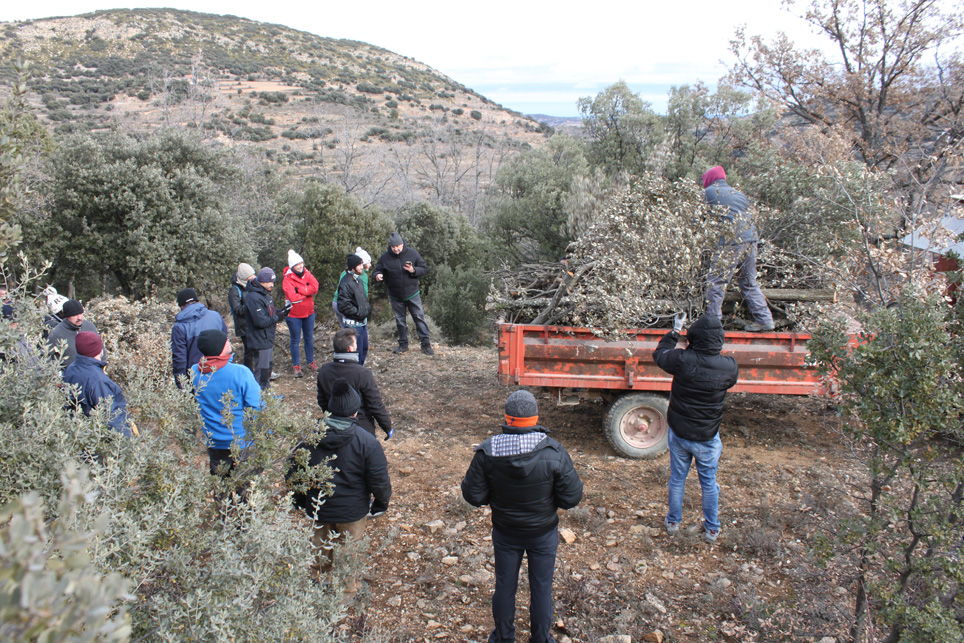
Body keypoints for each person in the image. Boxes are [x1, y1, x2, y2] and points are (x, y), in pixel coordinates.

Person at [461, 390, 584, 643]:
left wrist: (493, 496)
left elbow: (473, 495)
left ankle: (503, 638)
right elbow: (571, 498)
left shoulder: (488, 451)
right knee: (542, 588)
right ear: (535, 417)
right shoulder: (554, 451)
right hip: (543, 533)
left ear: (508, 418)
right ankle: (540, 638)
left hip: (506, 532)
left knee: (505, 586)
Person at [288, 378, 392, 594]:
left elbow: (294, 474)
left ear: (330, 408)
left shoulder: (308, 437)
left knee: (318, 550)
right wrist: (380, 504)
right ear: (355, 412)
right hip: (351, 512)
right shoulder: (367, 442)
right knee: (348, 554)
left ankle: (314, 589)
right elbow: (379, 480)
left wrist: (299, 500)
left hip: (318, 508)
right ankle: (346, 594)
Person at [652, 313, 739, 544]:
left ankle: (673, 522)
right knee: (709, 483)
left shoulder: (682, 360)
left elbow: (659, 354)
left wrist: (675, 331)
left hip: (679, 433)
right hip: (707, 436)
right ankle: (712, 529)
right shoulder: (729, 367)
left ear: (693, 338)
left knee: (677, 479)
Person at [702, 166, 775, 332]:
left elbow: (697, 220)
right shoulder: (739, 194)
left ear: (709, 179)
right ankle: (764, 319)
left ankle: (712, 323)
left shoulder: (708, 193)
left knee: (716, 281)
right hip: (751, 240)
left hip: (732, 241)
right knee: (748, 281)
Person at [190, 329, 263, 476]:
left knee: (221, 482)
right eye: (225, 340)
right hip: (241, 441)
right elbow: (257, 406)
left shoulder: (195, 372)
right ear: (218, 348)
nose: (229, 340)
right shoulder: (240, 372)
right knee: (245, 483)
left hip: (214, 442)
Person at [317, 328, 392, 439]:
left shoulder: (324, 371)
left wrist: (330, 417)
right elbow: (375, 404)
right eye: (356, 343)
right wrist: (387, 427)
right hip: (361, 429)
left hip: (333, 429)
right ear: (350, 348)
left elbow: (322, 400)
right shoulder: (362, 373)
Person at [62, 331, 137, 437]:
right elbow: (112, 418)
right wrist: (127, 441)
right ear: (99, 349)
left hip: (78, 433)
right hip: (98, 438)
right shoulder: (98, 380)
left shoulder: (70, 369)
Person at [372, 232, 433, 355]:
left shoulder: (412, 253)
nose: (395, 249)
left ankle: (426, 344)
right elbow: (377, 270)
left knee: (419, 318)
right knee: (400, 321)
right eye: (393, 247)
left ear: (402, 244)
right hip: (395, 295)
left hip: (413, 293)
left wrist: (413, 270)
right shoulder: (385, 257)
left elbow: (424, 268)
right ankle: (403, 345)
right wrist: (377, 275)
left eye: (397, 246)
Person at [171, 288, 228, 389]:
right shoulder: (215, 316)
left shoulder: (179, 327)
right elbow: (226, 344)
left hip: (196, 376)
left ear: (181, 306)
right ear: (197, 300)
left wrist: (181, 384)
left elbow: (179, 358)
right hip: (220, 370)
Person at [244, 267, 290, 389]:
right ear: (263, 281)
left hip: (266, 339)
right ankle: (258, 396)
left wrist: (282, 311)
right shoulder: (253, 297)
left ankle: (266, 394)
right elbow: (261, 321)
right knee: (261, 371)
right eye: (270, 282)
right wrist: (278, 317)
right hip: (260, 340)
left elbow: (268, 312)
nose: (272, 285)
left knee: (267, 369)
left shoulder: (264, 294)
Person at [282, 249, 320, 378]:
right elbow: (293, 298)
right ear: (292, 266)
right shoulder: (287, 279)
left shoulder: (307, 273)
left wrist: (300, 289)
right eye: (297, 264)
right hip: (294, 315)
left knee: (309, 338)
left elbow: (315, 287)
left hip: (309, 312)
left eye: (301, 263)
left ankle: (311, 362)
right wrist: (307, 292)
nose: (300, 266)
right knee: (295, 340)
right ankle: (296, 366)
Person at [336, 254, 371, 365]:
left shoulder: (358, 279)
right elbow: (343, 305)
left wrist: (366, 310)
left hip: (362, 322)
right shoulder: (346, 282)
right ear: (352, 267)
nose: (362, 267)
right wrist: (358, 313)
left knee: (364, 349)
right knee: (355, 352)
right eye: (359, 265)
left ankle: (360, 370)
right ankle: (355, 371)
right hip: (353, 324)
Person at [46, 299, 99, 369]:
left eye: (80, 314)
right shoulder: (57, 333)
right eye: (75, 315)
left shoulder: (89, 326)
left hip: (92, 371)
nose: (79, 318)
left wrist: (101, 367)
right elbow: (45, 356)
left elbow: (100, 348)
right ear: (66, 317)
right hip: (71, 374)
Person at [331, 246, 371, 327]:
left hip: (336, 303)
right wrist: (360, 311)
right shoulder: (361, 276)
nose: (370, 265)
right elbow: (364, 294)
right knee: (352, 331)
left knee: (345, 330)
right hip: (347, 305)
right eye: (368, 262)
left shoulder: (345, 272)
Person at [228, 262, 258, 372]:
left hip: (255, 322)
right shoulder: (234, 290)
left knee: (259, 347)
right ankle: (249, 372)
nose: (254, 277)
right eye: (251, 276)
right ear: (245, 278)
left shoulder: (252, 286)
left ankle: (261, 370)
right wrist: (252, 306)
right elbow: (237, 309)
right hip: (244, 325)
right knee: (249, 350)